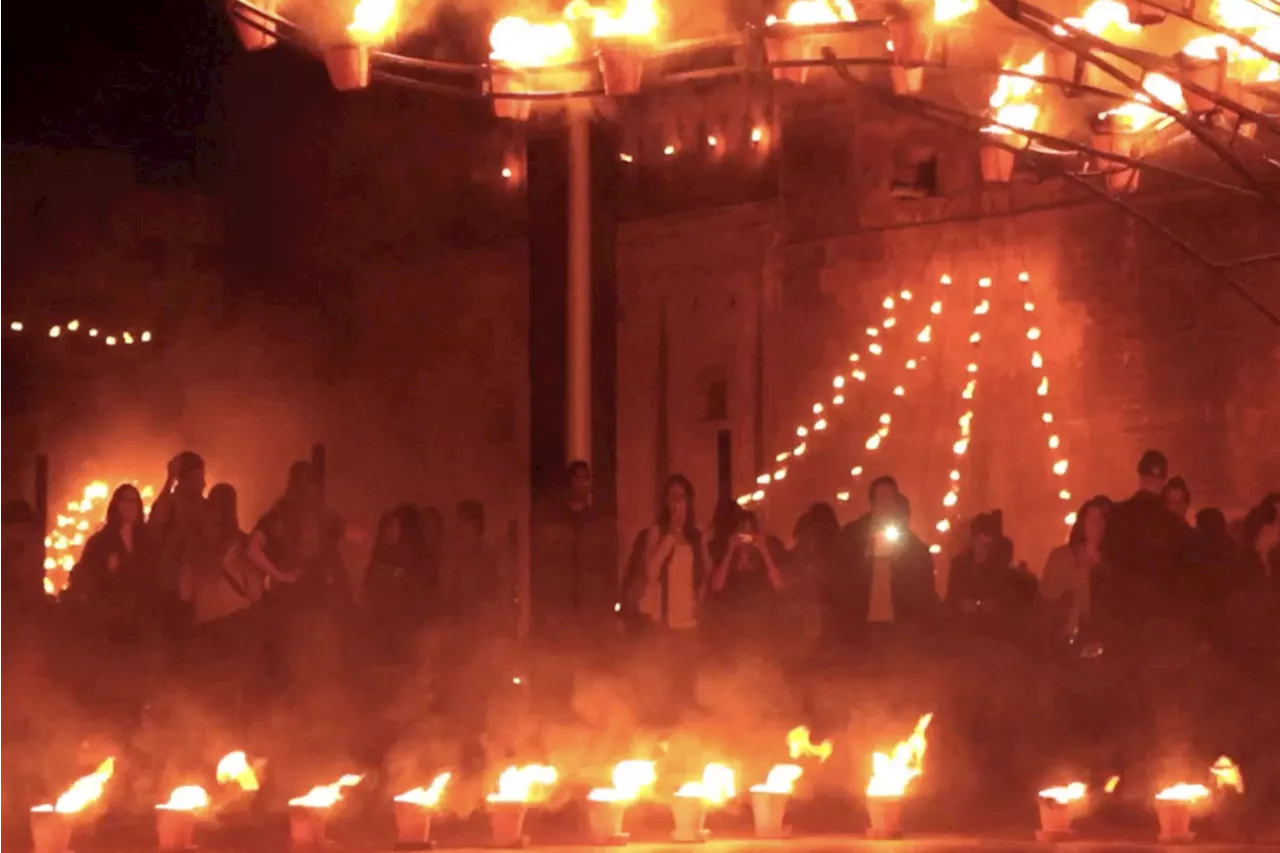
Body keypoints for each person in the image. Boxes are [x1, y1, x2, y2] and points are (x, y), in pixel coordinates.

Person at [187, 484, 267, 726]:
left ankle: (214, 743)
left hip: (206, 626)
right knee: (237, 691)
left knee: (210, 693)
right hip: (237, 623)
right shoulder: (242, 543)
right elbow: (256, 592)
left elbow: (185, 590)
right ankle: (233, 745)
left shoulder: (195, 547)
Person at [833, 478, 939, 649]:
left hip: (898, 628)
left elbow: (921, 586)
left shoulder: (911, 544)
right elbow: (839, 578)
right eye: (881, 499)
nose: (885, 505)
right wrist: (864, 556)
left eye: (890, 499)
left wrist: (900, 560)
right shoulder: (852, 536)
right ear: (872, 502)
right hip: (859, 626)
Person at [1101, 450, 1192, 629]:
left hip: (1125, 613)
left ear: (1140, 474)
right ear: (1164, 479)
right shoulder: (1173, 522)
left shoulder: (1117, 514)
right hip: (1164, 614)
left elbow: (1107, 561)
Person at [529, 461, 615, 646]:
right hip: (561, 605)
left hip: (591, 606)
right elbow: (542, 565)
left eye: (587, 479)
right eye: (580, 478)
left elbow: (607, 564)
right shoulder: (555, 522)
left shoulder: (597, 522)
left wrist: (607, 603)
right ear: (570, 482)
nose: (584, 483)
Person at [250, 461, 348, 609]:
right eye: (309, 482)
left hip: (316, 599)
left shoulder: (318, 516)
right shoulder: (279, 514)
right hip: (288, 600)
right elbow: (252, 549)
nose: (313, 490)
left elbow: (345, 536)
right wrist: (280, 576)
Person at [621, 474, 710, 635]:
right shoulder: (657, 532)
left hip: (688, 620)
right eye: (673, 497)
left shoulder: (695, 535)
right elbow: (651, 572)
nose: (677, 502)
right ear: (665, 501)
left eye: (682, 497)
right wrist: (672, 534)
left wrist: (699, 603)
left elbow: (704, 573)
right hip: (661, 617)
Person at [65, 484, 154, 639]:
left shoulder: (147, 539)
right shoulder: (101, 541)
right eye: (124, 501)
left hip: (142, 616)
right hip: (111, 618)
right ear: (116, 505)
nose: (129, 506)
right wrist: (107, 571)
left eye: (133, 501)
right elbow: (85, 576)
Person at [704, 508, 786, 649]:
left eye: (750, 530)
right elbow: (716, 586)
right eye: (742, 530)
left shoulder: (762, 559)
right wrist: (730, 550)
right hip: (732, 631)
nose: (746, 536)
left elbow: (779, 585)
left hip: (760, 630)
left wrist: (764, 550)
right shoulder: (728, 559)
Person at [147, 452, 207, 635]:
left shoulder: (205, 507)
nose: (203, 483)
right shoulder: (170, 504)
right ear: (185, 480)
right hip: (170, 589)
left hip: (198, 592)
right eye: (198, 478)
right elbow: (153, 529)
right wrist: (169, 479)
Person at [946, 511, 1035, 630]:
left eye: (988, 545)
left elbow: (1011, 604)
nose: (984, 550)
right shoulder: (959, 565)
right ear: (972, 541)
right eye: (980, 544)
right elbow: (950, 600)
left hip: (991, 632)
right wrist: (962, 606)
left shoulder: (999, 568)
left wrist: (994, 606)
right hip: (962, 630)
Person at [1040, 497, 1110, 643]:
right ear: (1081, 522)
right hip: (1062, 638)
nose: (1095, 526)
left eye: (1100, 521)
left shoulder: (1111, 564)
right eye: (1091, 519)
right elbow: (1047, 598)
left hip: (1098, 638)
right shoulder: (1061, 557)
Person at [364, 503, 435, 639]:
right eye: (389, 526)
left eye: (395, 526)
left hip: (405, 632)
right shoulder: (380, 554)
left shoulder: (417, 560)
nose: (389, 531)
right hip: (380, 629)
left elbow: (420, 598)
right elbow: (370, 587)